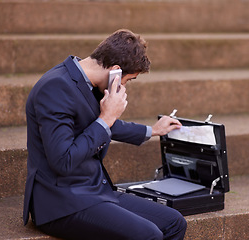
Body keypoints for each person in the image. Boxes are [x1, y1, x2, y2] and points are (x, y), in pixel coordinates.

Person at [23, 29, 187, 240]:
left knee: (175, 222)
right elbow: (62, 160)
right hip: (61, 202)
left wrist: (153, 130)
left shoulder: (85, 81)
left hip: (94, 191)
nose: (125, 85)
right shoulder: (56, 88)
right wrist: (106, 117)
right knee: (149, 235)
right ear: (115, 71)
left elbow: (100, 124)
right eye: (128, 80)